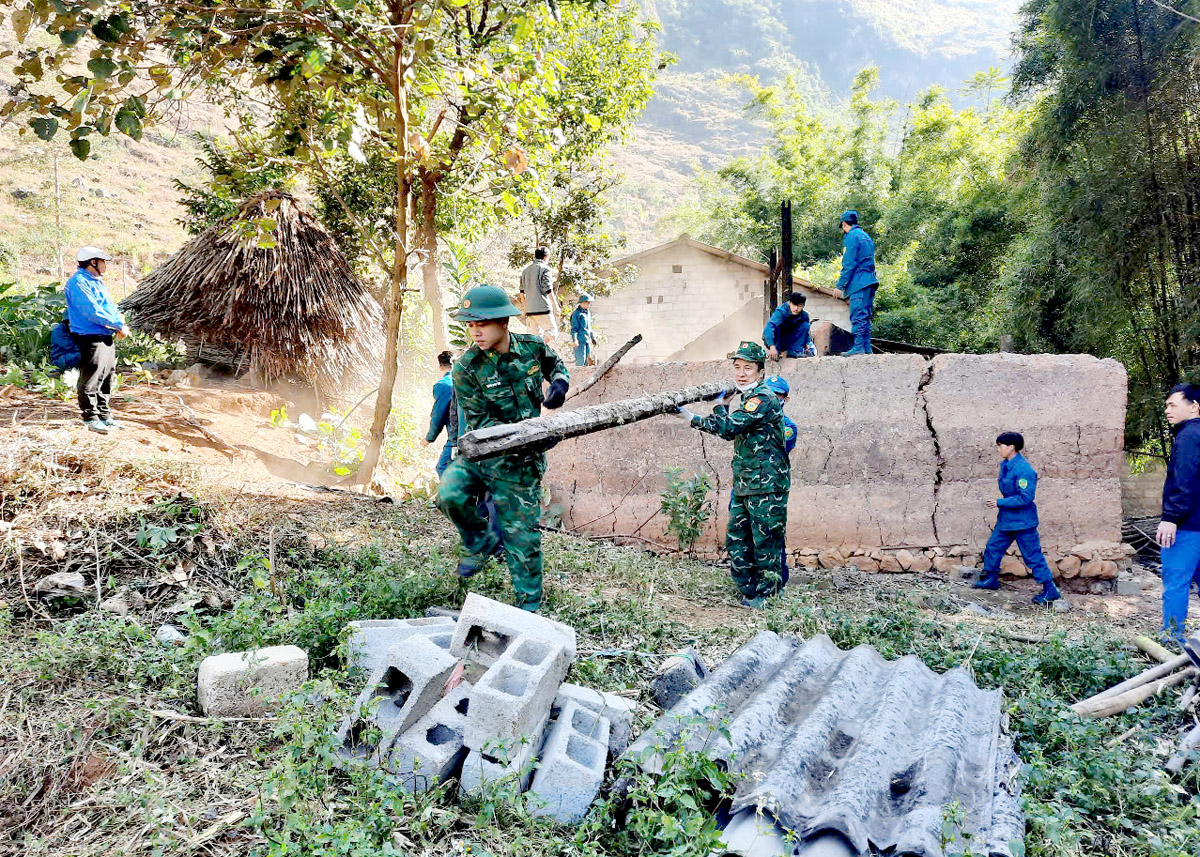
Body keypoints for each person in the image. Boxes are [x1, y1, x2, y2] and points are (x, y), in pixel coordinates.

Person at [436, 284, 570, 612]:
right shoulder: (466, 367)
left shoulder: (533, 347)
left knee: (522, 540)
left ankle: (529, 611)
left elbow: (557, 366)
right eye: (470, 325)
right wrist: (528, 436)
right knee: (449, 493)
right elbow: (482, 427)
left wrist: (559, 386)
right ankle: (480, 541)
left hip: (523, 465)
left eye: (482, 324)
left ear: (504, 323)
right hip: (486, 454)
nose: (475, 332)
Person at [675, 341, 791, 608]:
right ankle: (749, 591)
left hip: (767, 487)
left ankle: (768, 597)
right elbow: (733, 429)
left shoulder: (762, 399)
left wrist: (693, 416)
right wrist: (719, 407)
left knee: (766, 544)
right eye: (737, 367)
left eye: (747, 368)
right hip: (746, 485)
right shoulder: (747, 398)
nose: (741, 373)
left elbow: (728, 429)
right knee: (737, 539)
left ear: (760, 371)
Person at [973, 431, 1062, 605]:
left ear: (1011, 447)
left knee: (1032, 556)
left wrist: (1000, 502)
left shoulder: (1024, 470)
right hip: (1007, 519)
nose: (998, 449)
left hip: (1023, 522)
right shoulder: (1006, 465)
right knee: (993, 547)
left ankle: (1050, 590)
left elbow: (1025, 497)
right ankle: (991, 579)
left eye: (1001, 446)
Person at [64, 246, 129, 433]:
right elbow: (92, 310)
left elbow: (108, 306)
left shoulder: (96, 282)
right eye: (102, 261)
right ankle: (90, 417)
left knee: (107, 376)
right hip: (90, 336)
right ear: (93, 262)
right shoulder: (78, 283)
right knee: (92, 377)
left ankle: (104, 414)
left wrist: (119, 322)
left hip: (104, 334)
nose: (105, 265)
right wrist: (117, 325)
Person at [1158, 383, 1200, 643]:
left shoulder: (1188, 436)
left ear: (1194, 407)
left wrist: (1170, 518)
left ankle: (1172, 641)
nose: (1167, 410)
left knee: (1176, 583)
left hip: (1187, 526)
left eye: (1173, 404)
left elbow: (1184, 481)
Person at [765, 374, 797, 586]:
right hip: (746, 487)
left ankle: (777, 583)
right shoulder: (749, 418)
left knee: (772, 537)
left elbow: (777, 448)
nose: (774, 400)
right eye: (769, 396)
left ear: (786, 398)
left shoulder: (787, 427)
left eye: (778, 396)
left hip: (771, 489)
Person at [835, 211, 879, 356]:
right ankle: (867, 348)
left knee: (858, 316)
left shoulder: (852, 237)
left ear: (844, 224)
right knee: (865, 316)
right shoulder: (866, 236)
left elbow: (849, 263)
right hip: (870, 282)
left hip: (859, 283)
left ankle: (859, 347)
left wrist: (840, 286)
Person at [424, 350, 458, 476]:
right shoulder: (469, 380)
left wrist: (429, 438)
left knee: (443, 468)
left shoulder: (443, 385)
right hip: (479, 431)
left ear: (440, 367)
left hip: (457, 437)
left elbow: (438, 415)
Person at [520, 247, 559, 344]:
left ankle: (537, 356)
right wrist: (555, 306)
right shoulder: (545, 269)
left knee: (533, 339)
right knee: (552, 332)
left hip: (530, 310)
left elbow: (522, 292)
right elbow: (548, 289)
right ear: (545, 257)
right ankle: (543, 343)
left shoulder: (525, 271)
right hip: (543, 308)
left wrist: (525, 307)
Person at [763, 292, 815, 359]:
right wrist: (772, 346)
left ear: (803, 306)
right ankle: (779, 352)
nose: (796, 308)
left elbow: (806, 332)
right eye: (794, 305)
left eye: (799, 306)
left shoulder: (804, 316)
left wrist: (807, 344)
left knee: (805, 325)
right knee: (777, 326)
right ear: (789, 303)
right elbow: (769, 328)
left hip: (791, 340)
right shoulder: (781, 312)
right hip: (777, 339)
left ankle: (795, 352)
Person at [570, 293, 597, 367]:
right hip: (580, 341)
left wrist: (593, 337)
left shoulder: (588, 313)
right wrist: (575, 340)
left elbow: (589, 327)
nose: (589, 304)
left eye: (589, 302)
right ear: (583, 302)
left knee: (589, 361)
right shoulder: (576, 314)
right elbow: (574, 329)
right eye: (588, 302)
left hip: (587, 340)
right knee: (580, 361)